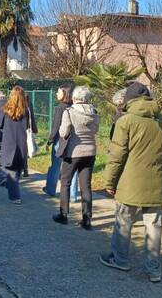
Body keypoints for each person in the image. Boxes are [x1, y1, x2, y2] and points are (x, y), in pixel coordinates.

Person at [100, 82, 162, 283]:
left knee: (124, 221)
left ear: (129, 100)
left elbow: (117, 155)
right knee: (154, 225)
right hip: (156, 182)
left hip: (129, 183)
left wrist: (110, 182)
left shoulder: (125, 122)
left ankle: (121, 259)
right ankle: (153, 269)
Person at [53, 86, 99, 230]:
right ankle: (87, 219)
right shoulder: (95, 112)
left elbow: (63, 132)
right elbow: (96, 130)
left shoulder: (69, 112)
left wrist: (65, 134)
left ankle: (63, 214)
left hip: (73, 152)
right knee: (86, 185)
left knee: (65, 182)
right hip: (90, 151)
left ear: (74, 98)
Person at [0, 86, 37, 204]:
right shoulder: (27, 111)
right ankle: (12, 187)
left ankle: (15, 196)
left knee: (10, 170)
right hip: (22, 143)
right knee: (17, 169)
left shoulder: (5, 110)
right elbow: (33, 127)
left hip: (8, 143)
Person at [42, 86, 77, 198]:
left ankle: (50, 189)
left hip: (60, 141)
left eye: (58, 92)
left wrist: (50, 141)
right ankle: (73, 195)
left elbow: (56, 126)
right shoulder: (74, 107)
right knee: (73, 168)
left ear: (64, 94)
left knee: (55, 166)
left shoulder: (60, 108)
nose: (56, 94)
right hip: (73, 141)